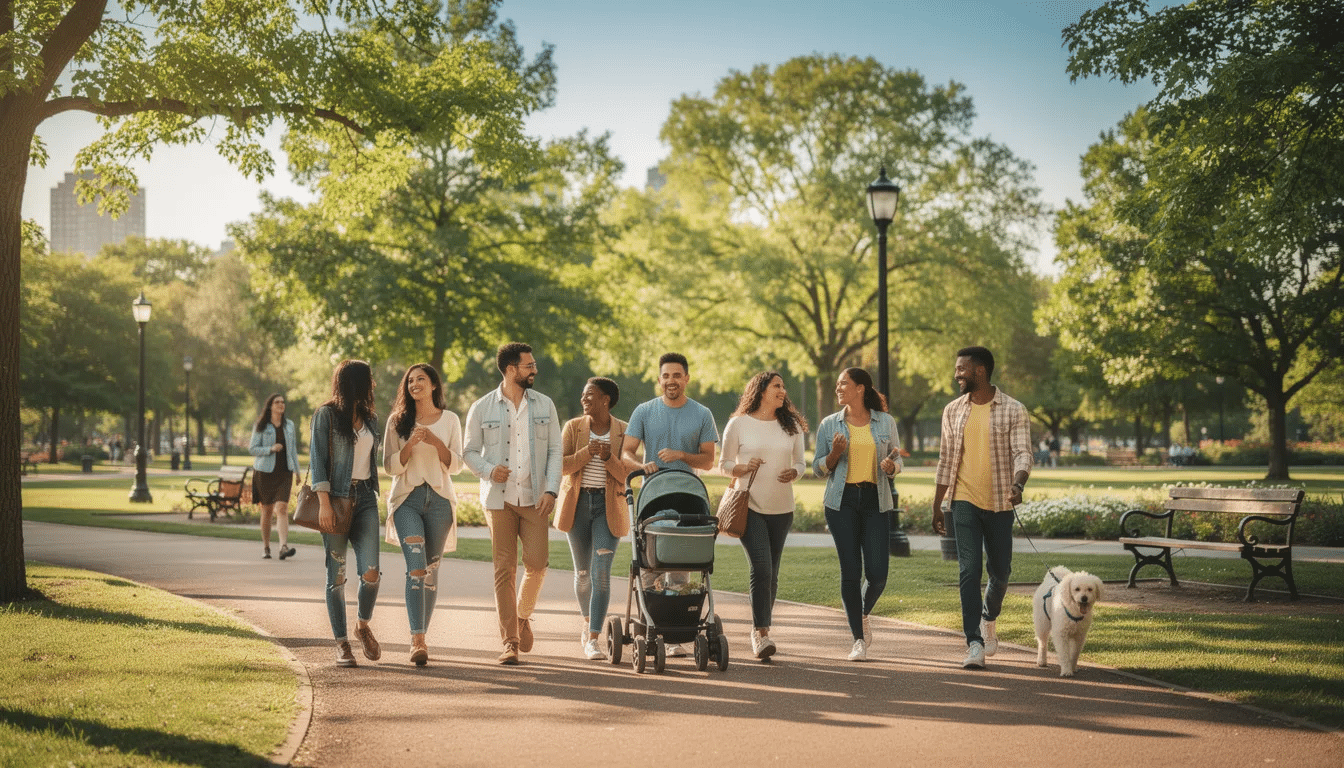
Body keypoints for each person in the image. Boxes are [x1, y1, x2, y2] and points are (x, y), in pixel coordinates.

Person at [932, 346, 1032, 670]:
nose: (956, 375)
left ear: (980, 371)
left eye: (961, 369)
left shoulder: (1014, 410)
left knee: (1000, 573)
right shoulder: (952, 410)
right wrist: (937, 504)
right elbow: (946, 459)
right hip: (963, 500)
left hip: (1000, 502)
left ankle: (989, 618)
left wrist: (1018, 484)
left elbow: (1023, 453)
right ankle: (974, 642)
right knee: (968, 569)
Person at [463, 343, 562, 665]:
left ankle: (522, 615)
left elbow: (555, 451)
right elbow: (469, 451)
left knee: (537, 563)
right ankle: (510, 641)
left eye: (533, 365)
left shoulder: (545, 404)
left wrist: (551, 490)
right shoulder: (481, 407)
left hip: (535, 498)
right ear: (510, 369)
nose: (534, 370)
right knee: (504, 569)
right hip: (499, 499)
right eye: (528, 365)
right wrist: (489, 470)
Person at [621, 352, 719, 657]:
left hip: (687, 495)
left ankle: (675, 634)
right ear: (659, 379)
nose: (671, 381)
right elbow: (626, 453)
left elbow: (708, 459)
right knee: (651, 565)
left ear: (686, 378)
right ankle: (651, 628)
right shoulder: (644, 411)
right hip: (653, 495)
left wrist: (682, 455)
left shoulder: (702, 413)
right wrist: (642, 465)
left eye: (677, 375)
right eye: (666, 376)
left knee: (680, 565)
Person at [812, 367, 901, 662]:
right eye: (837, 384)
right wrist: (834, 454)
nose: (838, 388)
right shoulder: (829, 424)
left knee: (878, 575)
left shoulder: (885, 421)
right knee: (850, 571)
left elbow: (897, 459)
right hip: (842, 502)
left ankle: (861, 613)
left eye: (844, 384)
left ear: (860, 388)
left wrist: (892, 467)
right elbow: (818, 468)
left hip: (875, 499)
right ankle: (858, 640)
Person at [719, 371, 807, 661]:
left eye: (783, 386)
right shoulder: (739, 424)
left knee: (773, 573)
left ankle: (761, 626)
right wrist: (742, 468)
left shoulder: (791, 425)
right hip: (750, 505)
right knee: (762, 568)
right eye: (777, 386)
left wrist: (794, 472)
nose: (783, 390)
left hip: (782, 508)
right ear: (761, 390)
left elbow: (801, 463)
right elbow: (724, 464)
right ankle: (761, 633)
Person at [382, 363, 462, 667]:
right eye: (410, 381)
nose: (414, 384)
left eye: (421, 379)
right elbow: (390, 466)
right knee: (416, 567)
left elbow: (456, 465)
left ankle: (421, 637)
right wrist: (411, 445)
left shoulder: (450, 419)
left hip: (440, 501)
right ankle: (417, 639)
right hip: (407, 500)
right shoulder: (397, 421)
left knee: (431, 570)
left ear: (433, 385)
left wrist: (435, 442)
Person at [556, 377, 636, 661]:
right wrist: (586, 452)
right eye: (583, 395)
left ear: (605, 400)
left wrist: (607, 458)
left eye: (589, 395)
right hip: (577, 506)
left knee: (600, 574)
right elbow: (561, 466)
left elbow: (627, 475)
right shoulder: (573, 427)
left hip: (607, 508)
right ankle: (587, 620)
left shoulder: (625, 431)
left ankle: (592, 638)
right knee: (582, 575)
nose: (584, 399)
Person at [311, 359, 383, 668]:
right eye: (369, 379)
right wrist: (324, 503)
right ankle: (341, 643)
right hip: (336, 500)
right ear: (357, 383)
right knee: (336, 576)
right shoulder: (326, 415)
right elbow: (317, 460)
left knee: (371, 573)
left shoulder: (371, 419)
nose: (373, 384)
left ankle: (362, 625)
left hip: (365, 499)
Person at [248, 393, 300, 561]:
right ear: (270, 406)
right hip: (265, 473)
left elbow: (293, 450)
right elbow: (252, 448)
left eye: (283, 402)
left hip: (284, 472)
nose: (281, 404)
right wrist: (270, 449)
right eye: (277, 402)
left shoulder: (289, 425)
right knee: (267, 510)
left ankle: (283, 547)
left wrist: (298, 471)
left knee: (282, 508)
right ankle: (266, 547)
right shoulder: (261, 425)